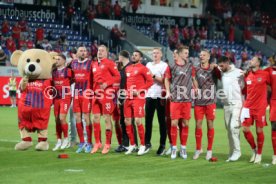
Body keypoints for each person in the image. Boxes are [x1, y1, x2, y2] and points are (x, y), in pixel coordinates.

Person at [164, 46, 198, 159]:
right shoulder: (171, 66)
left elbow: (193, 79)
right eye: (185, 53)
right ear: (179, 54)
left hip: (187, 99)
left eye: (188, 53)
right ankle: (174, 148)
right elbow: (166, 79)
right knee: (174, 123)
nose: (187, 55)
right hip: (175, 99)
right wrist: (168, 91)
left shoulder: (190, 66)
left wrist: (196, 88)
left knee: (185, 123)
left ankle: (183, 148)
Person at [90, 45, 121, 154]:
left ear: (106, 53)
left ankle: (107, 144)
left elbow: (117, 76)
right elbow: (91, 80)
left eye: (102, 51)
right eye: (99, 50)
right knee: (95, 118)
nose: (100, 52)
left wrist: (107, 84)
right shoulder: (93, 64)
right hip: (95, 94)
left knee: (107, 118)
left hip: (106, 94)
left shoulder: (110, 63)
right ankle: (97, 142)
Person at [193, 49, 221, 160]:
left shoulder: (213, 68)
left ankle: (209, 150)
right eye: (200, 55)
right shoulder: (196, 68)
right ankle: (198, 149)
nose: (201, 56)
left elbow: (220, 76)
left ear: (208, 57)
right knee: (198, 124)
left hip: (210, 101)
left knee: (210, 124)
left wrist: (217, 67)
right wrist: (195, 88)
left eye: (204, 55)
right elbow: (193, 78)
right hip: (199, 101)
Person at [124, 50, 153, 155]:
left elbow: (150, 81)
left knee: (137, 121)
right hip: (128, 97)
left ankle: (142, 145)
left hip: (138, 98)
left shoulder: (144, 68)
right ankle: (132, 145)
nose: (134, 56)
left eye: (136, 55)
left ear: (140, 58)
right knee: (127, 121)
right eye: (133, 55)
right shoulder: (128, 68)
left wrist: (140, 90)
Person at [241, 56, 270, 164]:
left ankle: (259, 154)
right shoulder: (248, 74)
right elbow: (244, 89)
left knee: (259, 131)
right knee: (245, 129)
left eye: (253, 60)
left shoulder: (265, 74)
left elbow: (272, 86)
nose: (250, 61)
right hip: (248, 106)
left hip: (260, 108)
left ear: (258, 63)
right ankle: (254, 150)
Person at [218, 56, 244, 161]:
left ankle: (237, 152)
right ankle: (232, 152)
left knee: (234, 127)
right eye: (219, 65)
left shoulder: (239, 72)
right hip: (226, 105)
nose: (220, 67)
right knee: (229, 130)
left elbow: (243, 86)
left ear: (228, 63)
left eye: (222, 65)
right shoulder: (222, 72)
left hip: (237, 103)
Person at [70, 46, 93, 153]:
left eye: (85, 51)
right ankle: (82, 142)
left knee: (86, 117)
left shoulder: (90, 63)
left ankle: (89, 142)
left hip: (86, 93)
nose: (83, 52)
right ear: (77, 53)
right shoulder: (73, 63)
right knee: (77, 118)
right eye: (81, 51)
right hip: (76, 93)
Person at [144, 48, 167, 155]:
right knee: (148, 121)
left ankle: (162, 145)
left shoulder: (164, 65)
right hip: (149, 95)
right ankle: (147, 143)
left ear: (161, 54)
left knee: (162, 122)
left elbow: (164, 80)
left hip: (160, 96)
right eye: (153, 53)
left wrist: (152, 75)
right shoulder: (148, 64)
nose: (155, 55)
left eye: (157, 53)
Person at [115, 50, 138, 152]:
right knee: (123, 121)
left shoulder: (130, 67)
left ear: (121, 57)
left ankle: (134, 144)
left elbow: (130, 84)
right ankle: (126, 144)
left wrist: (125, 97)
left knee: (129, 122)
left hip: (128, 97)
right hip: (122, 96)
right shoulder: (123, 68)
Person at [52, 54, 73, 151]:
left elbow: (73, 80)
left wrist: (67, 88)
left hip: (65, 97)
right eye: (56, 59)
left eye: (58, 59)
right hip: (56, 98)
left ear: (64, 61)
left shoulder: (68, 71)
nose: (56, 61)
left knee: (62, 118)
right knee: (56, 119)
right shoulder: (53, 72)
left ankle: (66, 139)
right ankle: (58, 140)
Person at [264, 55, 276, 164]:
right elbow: (266, 86)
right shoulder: (269, 70)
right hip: (274, 102)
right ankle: (275, 155)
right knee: (274, 128)